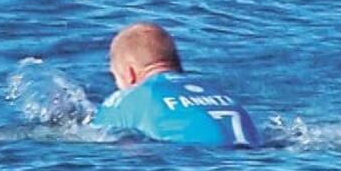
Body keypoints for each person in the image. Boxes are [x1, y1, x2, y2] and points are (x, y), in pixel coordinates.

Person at [91, 22, 261, 147]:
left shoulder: (133, 97)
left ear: (130, 73)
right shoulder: (217, 93)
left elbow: (94, 135)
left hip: (197, 162)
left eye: (115, 76)